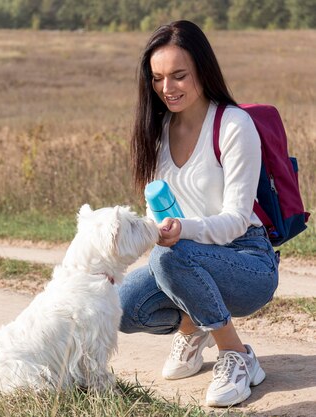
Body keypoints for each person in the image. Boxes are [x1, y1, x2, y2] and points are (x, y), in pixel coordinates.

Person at [119, 20, 278, 407]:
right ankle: (193, 327)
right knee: (122, 308)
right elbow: (154, 209)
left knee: (171, 256)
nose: (167, 89)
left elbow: (237, 220)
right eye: (157, 78)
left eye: (178, 76)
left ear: (202, 72)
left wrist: (181, 231)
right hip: (183, 253)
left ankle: (237, 355)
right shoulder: (155, 133)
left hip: (248, 260)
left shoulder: (234, 125)